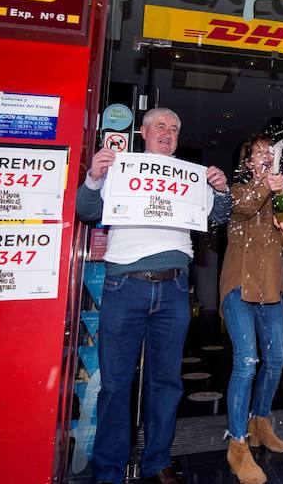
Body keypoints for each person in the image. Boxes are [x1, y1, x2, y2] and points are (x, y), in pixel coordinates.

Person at [76, 108, 231, 484]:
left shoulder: (191, 177)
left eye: (175, 128)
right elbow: (85, 209)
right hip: (124, 285)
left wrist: (222, 192)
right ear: (143, 132)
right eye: (160, 126)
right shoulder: (118, 168)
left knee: (166, 382)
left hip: (175, 288)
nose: (168, 132)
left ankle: (157, 460)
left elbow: (217, 218)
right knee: (115, 383)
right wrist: (94, 177)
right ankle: (109, 471)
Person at [219, 134, 283, 484]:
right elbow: (243, 209)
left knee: (277, 360)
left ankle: (260, 422)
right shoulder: (236, 189)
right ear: (248, 163)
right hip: (238, 288)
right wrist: (267, 186)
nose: (266, 156)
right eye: (259, 153)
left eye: (270, 152)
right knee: (247, 362)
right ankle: (237, 445)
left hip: (271, 291)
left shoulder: (281, 194)